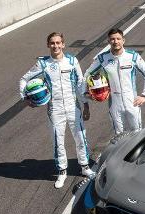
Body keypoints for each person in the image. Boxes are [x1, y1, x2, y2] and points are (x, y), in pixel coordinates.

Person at [19, 32, 95, 189]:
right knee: (58, 142)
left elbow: (80, 84)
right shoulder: (42, 64)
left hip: (73, 107)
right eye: (52, 43)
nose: (55, 45)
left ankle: (85, 167)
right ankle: (62, 172)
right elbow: (23, 79)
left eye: (58, 42)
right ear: (48, 45)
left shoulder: (72, 61)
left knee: (81, 138)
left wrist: (85, 104)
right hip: (55, 109)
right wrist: (25, 98)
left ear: (63, 44)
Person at [83, 28, 145, 135]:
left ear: (123, 40)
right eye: (112, 39)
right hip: (114, 103)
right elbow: (87, 74)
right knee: (119, 135)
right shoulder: (102, 58)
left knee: (137, 133)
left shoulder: (133, 56)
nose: (115, 41)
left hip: (132, 102)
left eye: (118, 39)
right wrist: (85, 92)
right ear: (108, 41)